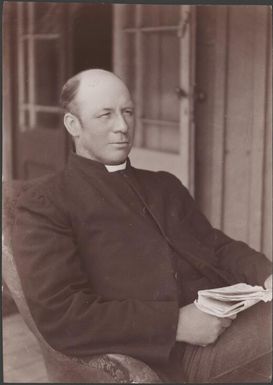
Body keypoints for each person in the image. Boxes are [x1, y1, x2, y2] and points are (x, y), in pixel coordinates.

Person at [12, 69, 272, 382]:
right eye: (105, 115)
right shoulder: (47, 203)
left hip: (232, 317)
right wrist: (176, 324)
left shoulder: (164, 185)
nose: (122, 126)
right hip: (175, 354)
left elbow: (216, 245)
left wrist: (265, 273)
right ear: (73, 125)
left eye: (128, 112)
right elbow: (61, 315)